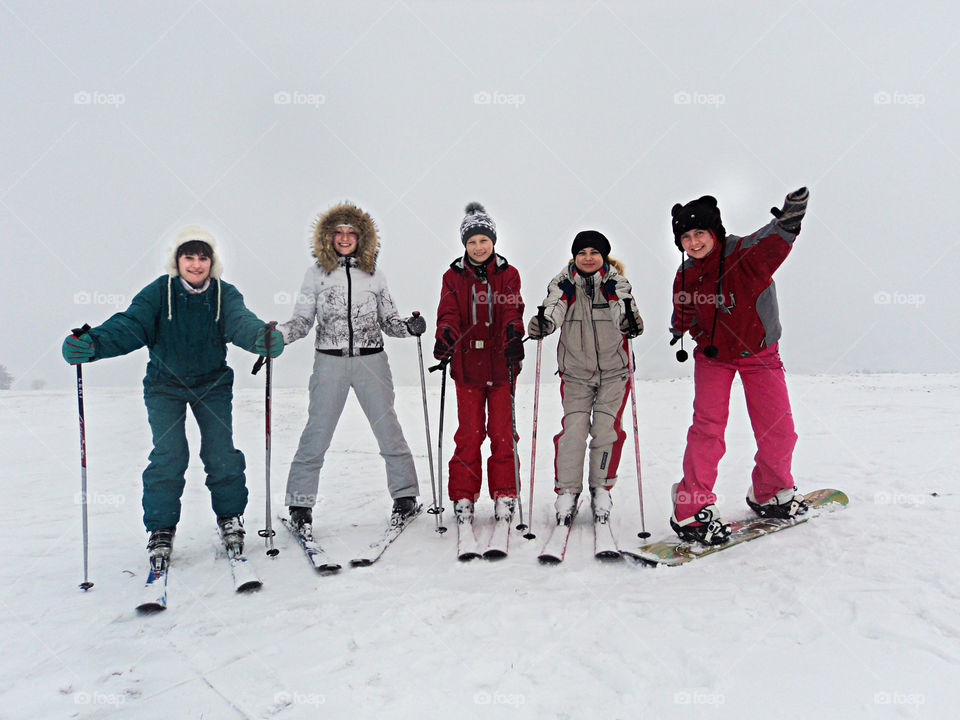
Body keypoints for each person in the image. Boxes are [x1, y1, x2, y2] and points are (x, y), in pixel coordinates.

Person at [61, 226, 283, 564]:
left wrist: (260, 338)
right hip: (165, 385)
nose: (196, 264)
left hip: (212, 384)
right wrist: (92, 344)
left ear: (212, 262)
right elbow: (129, 325)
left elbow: (241, 322)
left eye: (202, 257)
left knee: (220, 450)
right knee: (170, 453)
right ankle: (161, 528)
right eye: (188, 256)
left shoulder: (224, 295)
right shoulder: (157, 293)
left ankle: (230, 517)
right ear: (177, 260)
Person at [667, 188, 810, 545]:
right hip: (713, 357)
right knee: (707, 430)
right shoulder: (686, 274)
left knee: (778, 428)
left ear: (715, 231)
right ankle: (690, 507)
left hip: (760, 354)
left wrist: (788, 221)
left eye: (699, 233)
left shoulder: (744, 254)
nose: (693, 241)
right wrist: (681, 327)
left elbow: (771, 240)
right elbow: (683, 308)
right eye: (686, 236)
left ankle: (771, 491)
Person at [280, 201, 423, 539]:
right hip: (329, 361)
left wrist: (410, 326)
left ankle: (405, 497)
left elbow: (389, 322)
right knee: (317, 432)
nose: (345, 238)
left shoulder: (374, 274)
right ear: (328, 237)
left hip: (371, 361)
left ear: (362, 237)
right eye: (338, 232)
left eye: (351, 232)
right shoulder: (316, 274)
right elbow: (301, 322)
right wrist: (279, 336)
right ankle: (300, 505)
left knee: (388, 428)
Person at [527, 230, 643, 526]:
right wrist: (544, 322)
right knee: (574, 431)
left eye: (594, 252)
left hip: (615, 373)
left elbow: (624, 305)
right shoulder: (564, 283)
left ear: (603, 256)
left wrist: (630, 321)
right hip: (576, 373)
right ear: (575, 257)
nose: (588, 258)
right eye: (582, 253)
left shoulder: (615, 282)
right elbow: (554, 305)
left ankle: (601, 487)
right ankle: (567, 490)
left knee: (606, 429)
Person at [433, 203, 525, 533]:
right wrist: (445, 334)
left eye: (483, 240)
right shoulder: (453, 276)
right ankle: (463, 497)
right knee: (469, 434)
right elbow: (449, 313)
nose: (478, 247)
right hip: (467, 368)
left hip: (502, 367)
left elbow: (512, 307)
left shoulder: (508, 273)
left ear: (493, 241)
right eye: (472, 242)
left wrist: (515, 332)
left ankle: (505, 494)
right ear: (464, 245)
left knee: (502, 433)